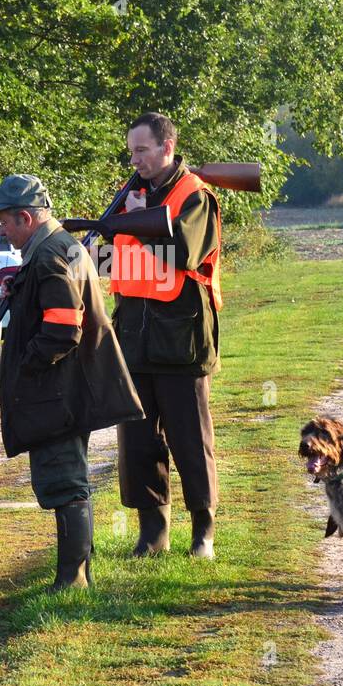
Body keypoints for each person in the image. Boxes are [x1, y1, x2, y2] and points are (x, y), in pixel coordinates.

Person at [0, 174, 143, 591]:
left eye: (4, 222)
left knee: (65, 481)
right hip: (63, 388)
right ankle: (75, 574)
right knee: (68, 479)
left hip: (55, 391)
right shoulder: (56, 249)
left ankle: (73, 580)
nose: (1, 231)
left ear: (25, 217)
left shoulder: (51, 255)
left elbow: (62, 328)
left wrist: (26, 366)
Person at [110, 112, 224, 558]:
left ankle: (203, 533)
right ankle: (153, 535)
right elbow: (112, 260)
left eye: (142, 150)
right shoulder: (130, 196)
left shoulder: (194, 196)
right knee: (138, 442)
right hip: (134, 340)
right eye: (131, 150)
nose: (134, 159)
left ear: (167, 147)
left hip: (182, 340)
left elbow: (183, 254)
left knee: (190, 440)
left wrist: (142, 222)